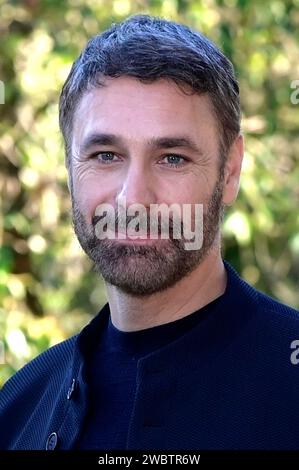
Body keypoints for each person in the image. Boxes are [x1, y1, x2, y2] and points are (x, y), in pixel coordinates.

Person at [0, 14, 299, 451]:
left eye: (172, 157)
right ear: (68, 168)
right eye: (105, 155)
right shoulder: (19, 407)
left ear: (230, 171)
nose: (132, 198)